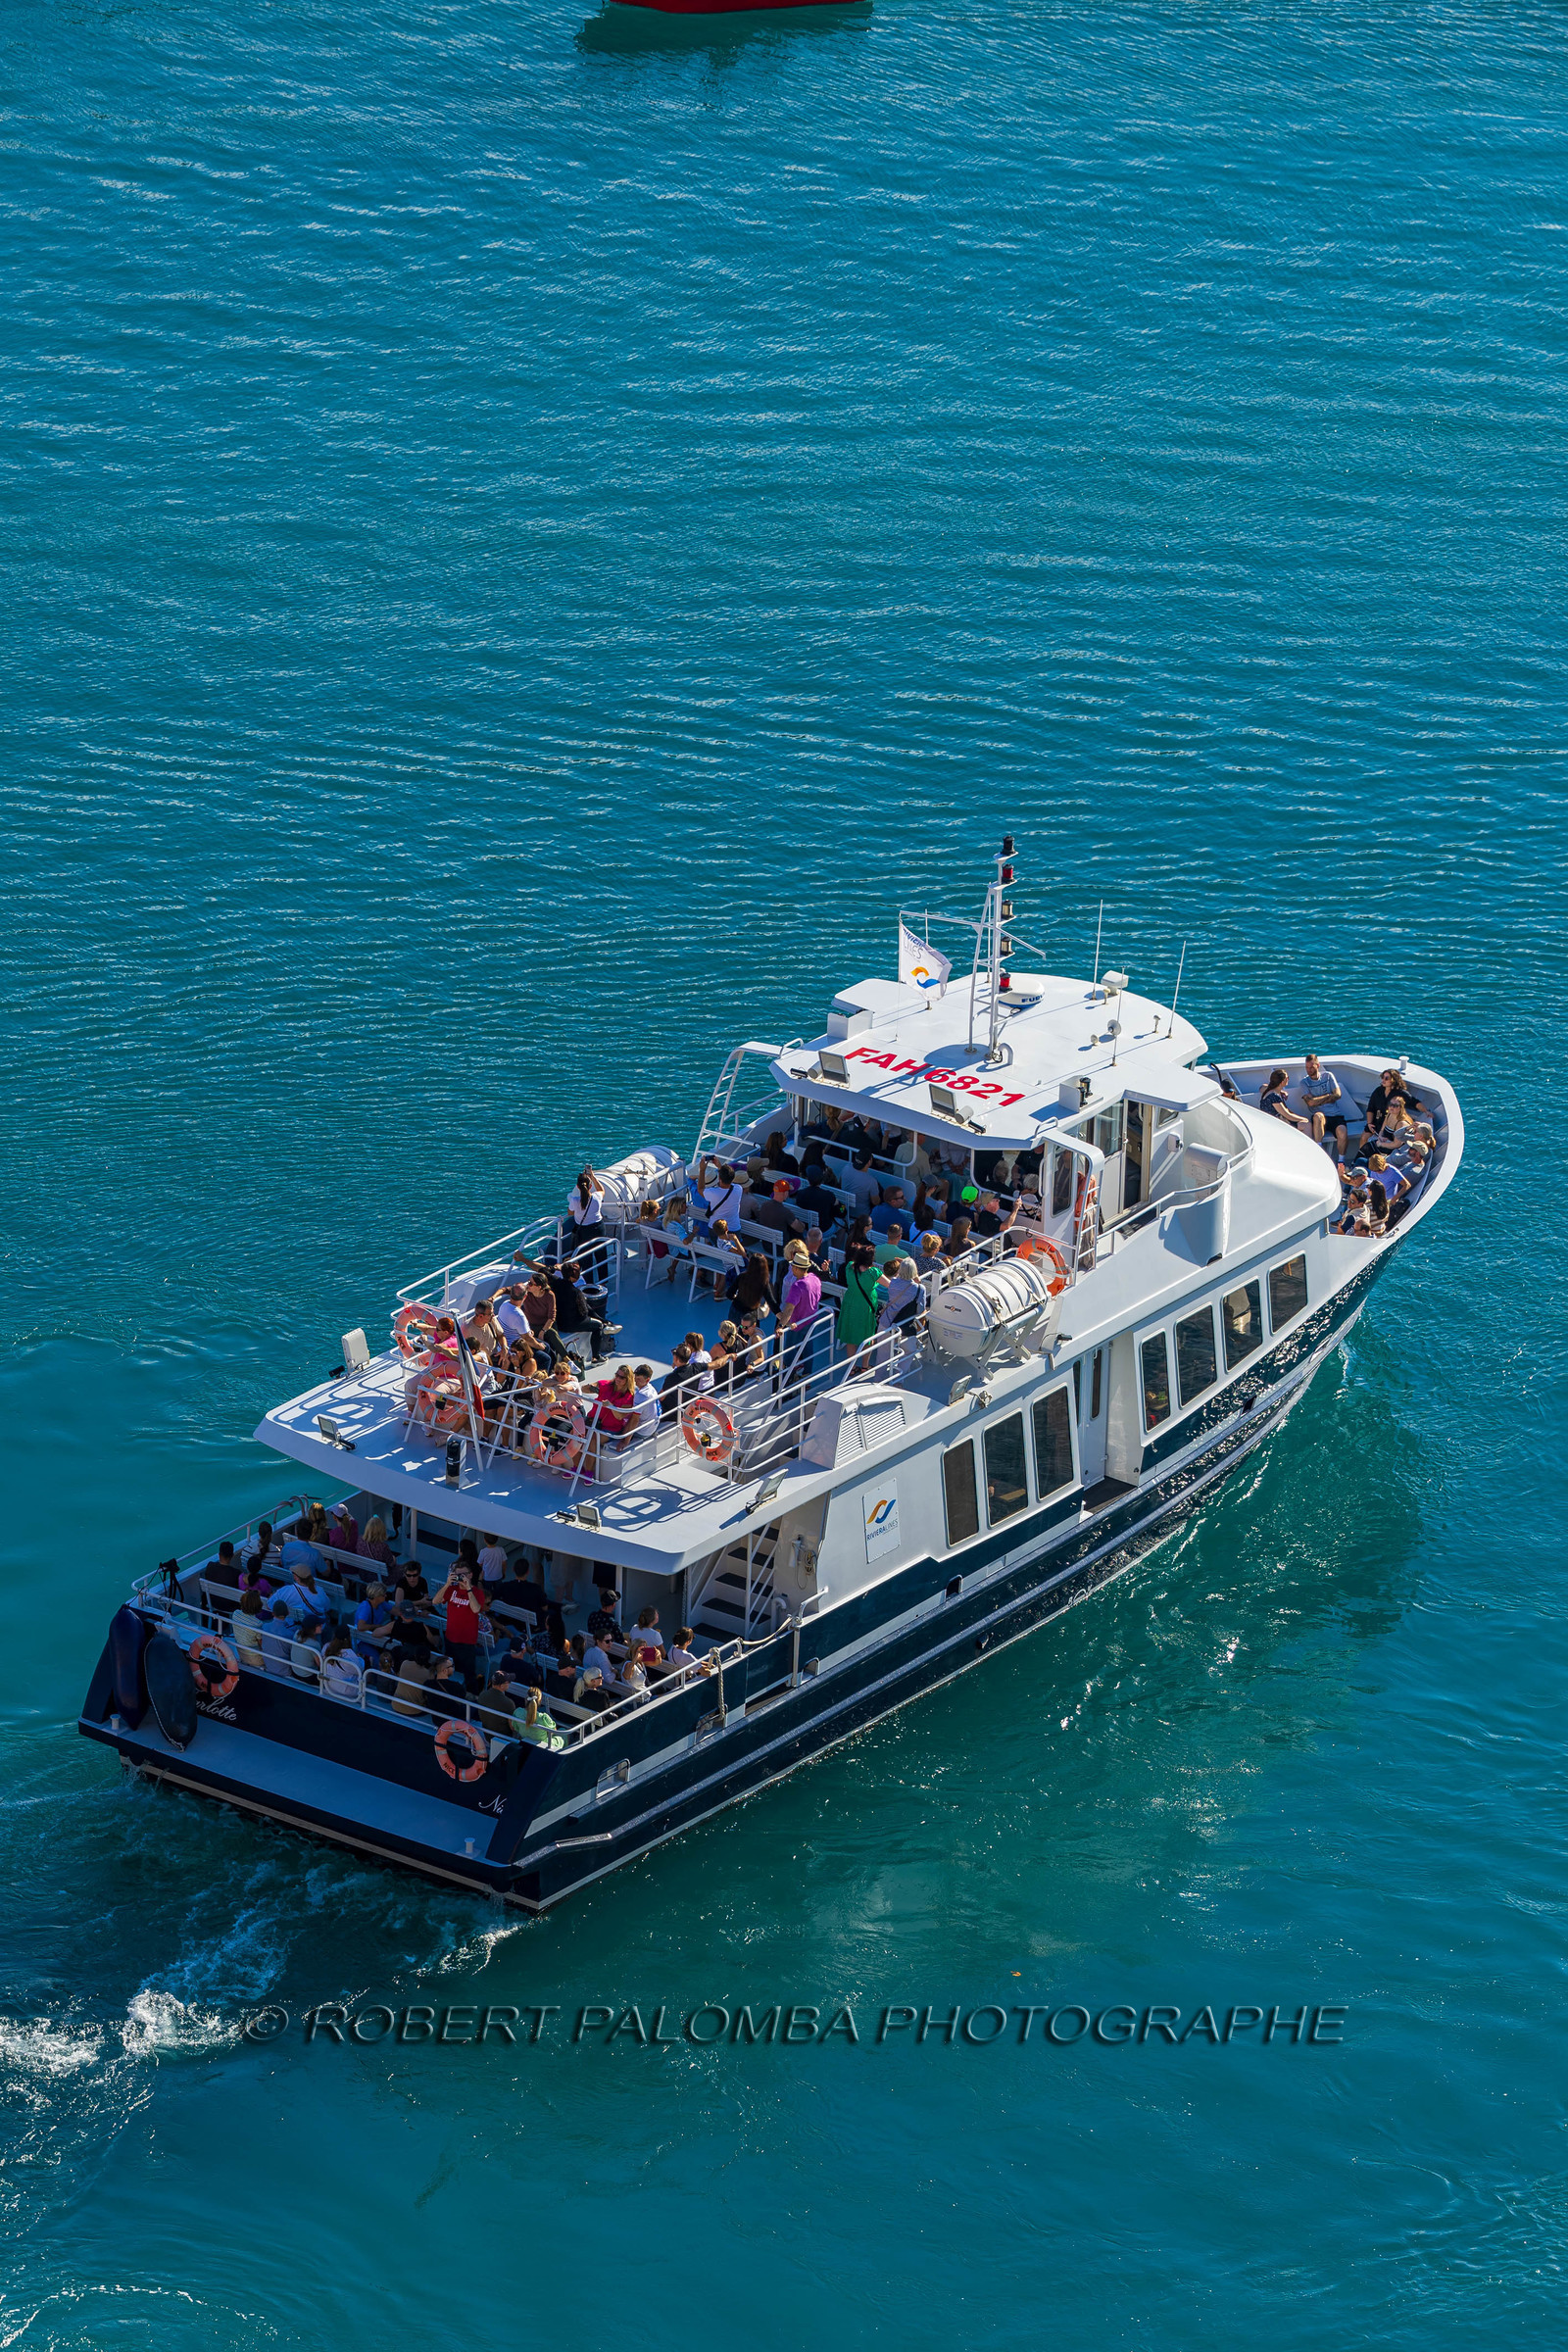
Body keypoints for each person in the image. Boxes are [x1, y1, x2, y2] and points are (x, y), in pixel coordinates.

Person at [528, 1257, 616, 1364]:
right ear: (573, 1277)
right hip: (570, 1324)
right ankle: (596, 1358)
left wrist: (555, 1268)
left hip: (558, 1322)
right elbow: (584, 1312)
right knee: (597, 1326)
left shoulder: (555, 1282)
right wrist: (600, 1319)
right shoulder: (576, 1292)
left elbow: (544, 1270)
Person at [434, 1563, 486, 1690]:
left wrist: (468, 1589)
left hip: (467, 1643)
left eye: (463, 1574)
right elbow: (435, 1601)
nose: (460, 1577)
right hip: (450, 1639)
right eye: (457, 1575)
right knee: (448, 1670)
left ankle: (471, 1697)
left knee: (469, 1673)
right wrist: (447, 1584)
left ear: (470, 1575)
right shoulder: (451, 1590)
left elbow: (476, 1609)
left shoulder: (478, 1593)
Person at [1298, 1054, 1347, 1151]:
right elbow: (1310, 1103)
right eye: (1307, 1068)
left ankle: (1341, 1162)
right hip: (1319, 1116)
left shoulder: (1328, 1076)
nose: (1309, 1070)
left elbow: (1337, 1095)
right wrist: (1328, 1096)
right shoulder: (1304, 1082)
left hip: (1335, 1115)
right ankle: (1319, 1151)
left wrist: (1317, 1100)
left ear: (1318, 1065)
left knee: (1342, 1131)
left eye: (1311, 1067)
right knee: (1318, 1116)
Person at [837, 1245, 881, 1350]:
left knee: (850, 1336)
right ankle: (865, 1367)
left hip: (849, 1304)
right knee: (868, 1336)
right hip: (865, 1307)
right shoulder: (873, 1272)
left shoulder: (849, 1267)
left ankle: (852, 1367)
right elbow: (890, 1285)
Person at [693, 1155, 746, 1237]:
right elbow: (729, 1179)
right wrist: (720, 1167)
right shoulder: (738, 1189)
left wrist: (702, 1170)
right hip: (734, 1228)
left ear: (719, 1179)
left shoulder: (713, 1193)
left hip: (715, 1229)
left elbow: (700, 1189)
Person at [730, 1252, 781, 1327]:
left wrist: (736, 1299)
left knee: (732, 1335)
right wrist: (782, 1317)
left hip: (735, 1311)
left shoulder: (741, 1276)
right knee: (750, 1337)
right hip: (750, 1316)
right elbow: (771, 1302)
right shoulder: (763, 1283)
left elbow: (729, 1294)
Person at [353, 1581, 397, 1662]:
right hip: (362, 1640)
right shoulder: (365, 1607)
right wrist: (377, 1626)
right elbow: (360, 1626)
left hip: (374, 1637)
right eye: (384, 1595)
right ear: (376, 1596)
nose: (386, 1596)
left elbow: (396, 1612)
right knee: (377, 1659)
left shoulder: (381, 1603)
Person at [1258, 1067, 1311, 1132]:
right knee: (1307, 1125)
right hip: (1277, 1125)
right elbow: (1287, 1115)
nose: (1288, 1079)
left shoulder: (1268, 1091)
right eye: (1287, 1078)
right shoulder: (1274, 1097)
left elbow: (1262, 1087)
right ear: (1283, 1081)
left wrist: (1281, 1091)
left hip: (1272, 1122)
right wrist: (1304, 1119)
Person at [392, 1642, 436, 1717]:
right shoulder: (429, 1674)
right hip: (414, 1711)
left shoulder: (405, 1664)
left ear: (415, 1655)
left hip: (395, 1705)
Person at [320, 1629, 364, 1701]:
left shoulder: (326, 1647)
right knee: (367, 1672)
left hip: (330, 1686)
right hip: (348, 1692)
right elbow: (360, 1669)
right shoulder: (349, 1655)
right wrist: (360, 1658)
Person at [473, 1666, 516, 1739]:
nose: (509, 1683)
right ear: (502, 1686)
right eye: (508, 1682)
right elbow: (512, 1727)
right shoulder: (509, 1703)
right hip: (503, 1738)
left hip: (487, 1735)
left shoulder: (482, 1695)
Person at [231, 1588, 267, 1668]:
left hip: (240, 1653)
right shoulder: (258, 1624)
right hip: (256, 1659)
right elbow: (262, 1645)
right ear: (258, 1606)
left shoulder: (235, 1614)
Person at [260, 1598, 295, 1679]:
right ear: (288, 1613)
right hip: (285, 1671)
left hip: (269, 1666)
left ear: (273, 1613)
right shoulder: (290, 1634)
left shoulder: (265, 1627)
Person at [631, 1365, 661, 1433]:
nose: (635, 1380)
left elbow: (634, 1420)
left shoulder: (641, 1395)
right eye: (635, 1377)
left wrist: (625, 1441)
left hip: (643, 1431)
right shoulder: (651, 1389)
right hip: (653, 1427)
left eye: (639, 1379)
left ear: (647, 1380)